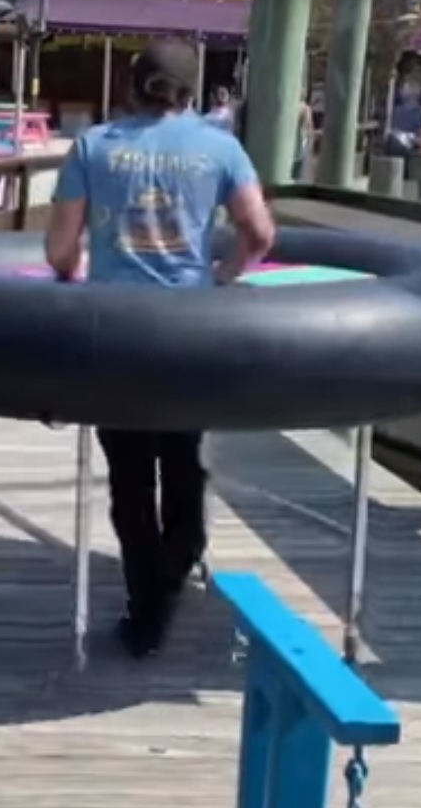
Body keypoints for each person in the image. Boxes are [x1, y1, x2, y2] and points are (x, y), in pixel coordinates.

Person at [42, 36, 277, 659]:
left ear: (131, 85)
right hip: (186, 331)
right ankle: (177, 560)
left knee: (129, 477)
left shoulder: (93, 147)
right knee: (181, 457)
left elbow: (60, 247)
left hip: (114, 331)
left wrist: (69, 273)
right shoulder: (220, 147)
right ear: (191, 91)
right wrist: (225, 273)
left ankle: (147, 610)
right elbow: (258, 232)